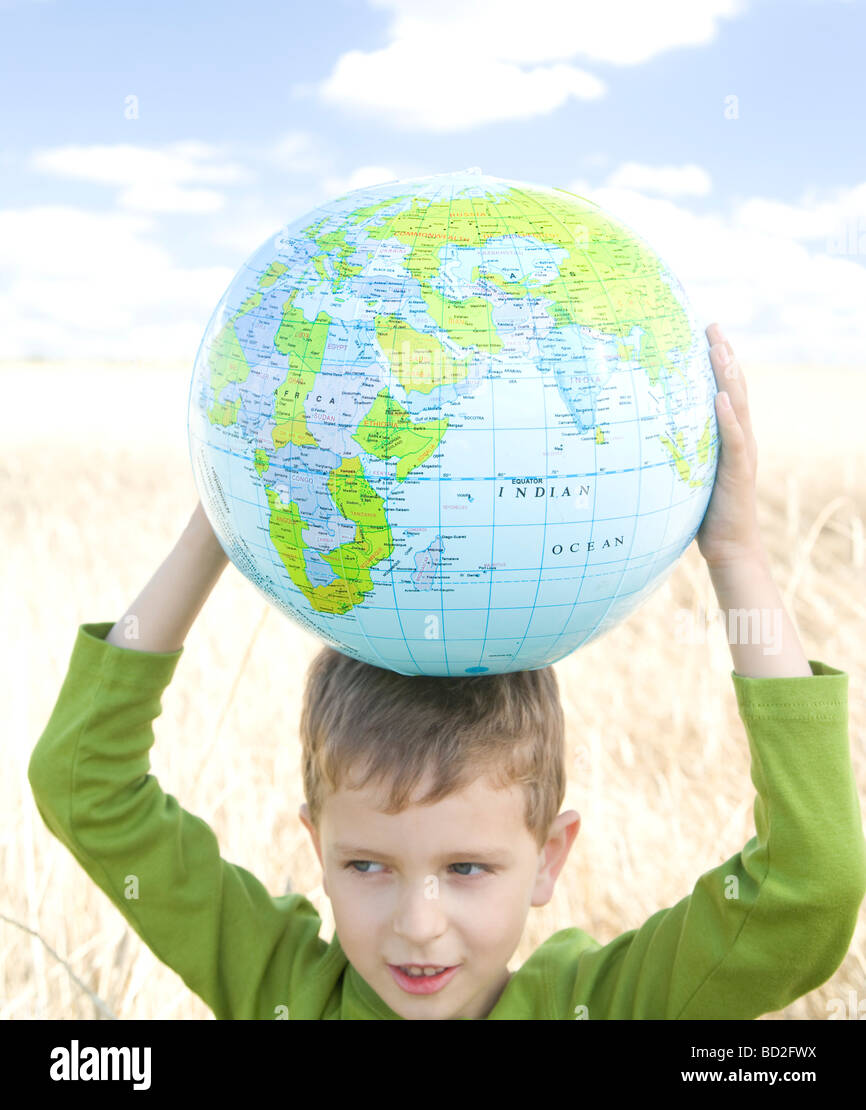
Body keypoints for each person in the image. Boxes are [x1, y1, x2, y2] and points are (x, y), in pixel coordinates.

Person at [27, 325, 866, 1019]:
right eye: (366, 866)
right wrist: (218, 524)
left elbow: (809, 885)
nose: (418, 928)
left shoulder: (607, 1009)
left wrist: (737, 555)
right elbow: (82, 783)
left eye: (467, 869)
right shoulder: (280, 991)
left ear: (548, 857)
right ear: (315, 848)